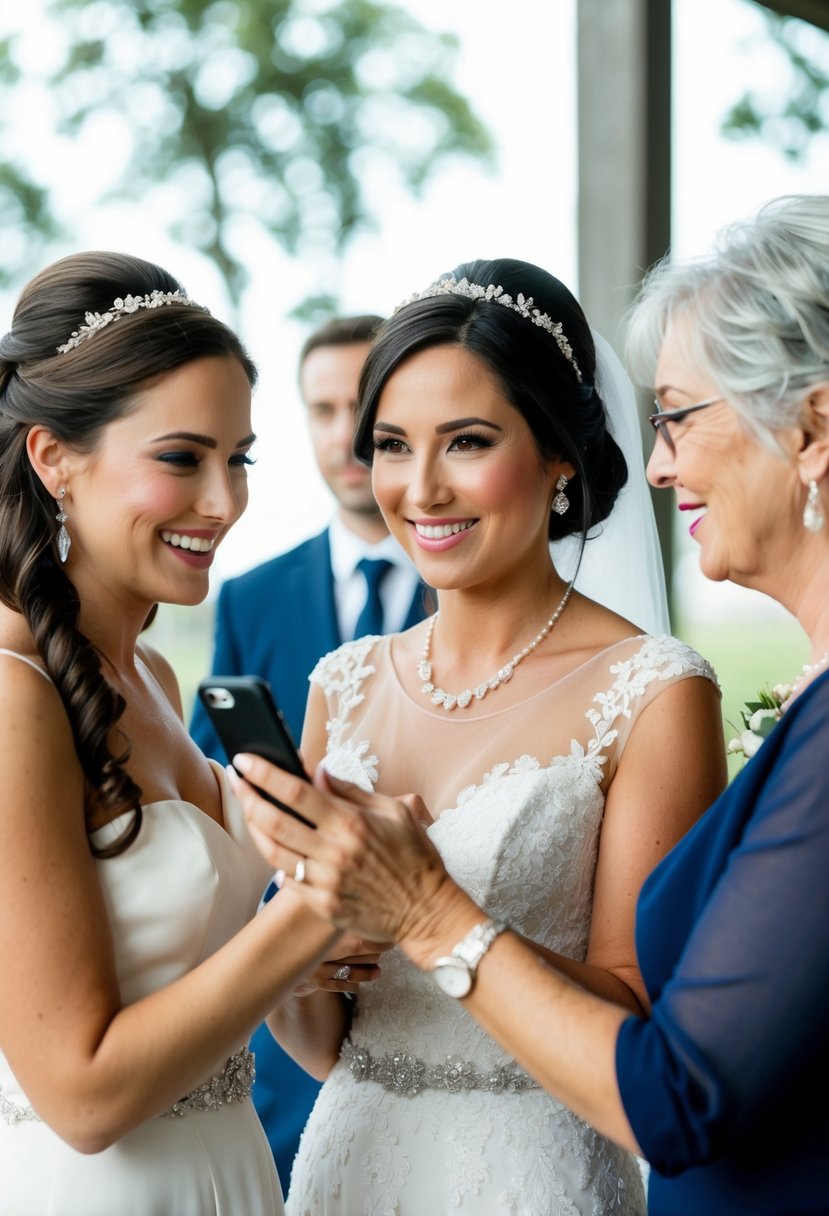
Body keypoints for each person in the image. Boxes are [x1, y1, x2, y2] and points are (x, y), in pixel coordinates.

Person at [234, 198, 829, 1214]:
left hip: (530, 1171)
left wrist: (423, 907)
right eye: (389, 444)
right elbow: (326, 1046)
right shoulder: (343, 682)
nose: (420, 488)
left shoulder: (651, 687)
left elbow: (657, 1036)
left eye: (466, 440)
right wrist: (299, 957)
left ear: (558, 458)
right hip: (354, 1162)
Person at [0, 252, 376, 1216]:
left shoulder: (156, 676)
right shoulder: (12, 692)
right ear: (54, 459)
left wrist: (301, 948)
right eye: (181, 459)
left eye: (238, 457)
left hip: (229, 1174)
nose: (225, 502)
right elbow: (81, 1095)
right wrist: (309, 913)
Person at [190, 314, 431, 1187]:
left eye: (365, 409)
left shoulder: (477, 584)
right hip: (291, 1049)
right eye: (322, 409)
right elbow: (212, 808)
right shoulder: (251, 597)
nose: (346, 435)